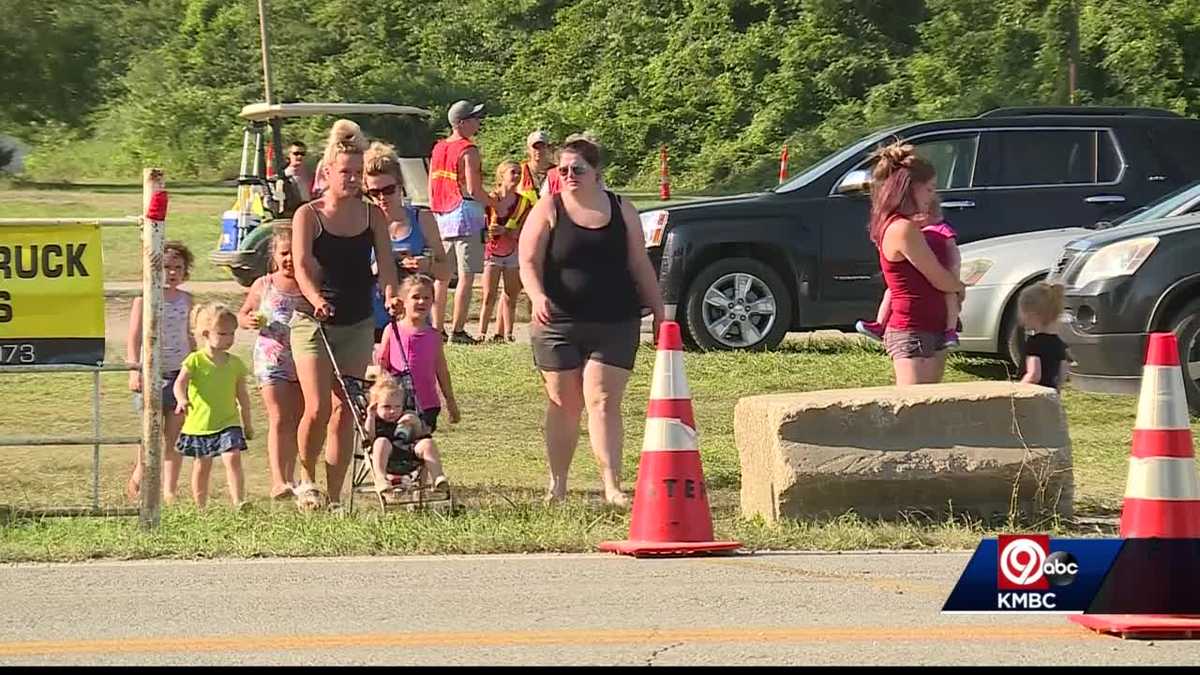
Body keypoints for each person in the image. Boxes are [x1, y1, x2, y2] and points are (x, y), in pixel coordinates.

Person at [519, 136, 665, 506]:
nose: (568, 175)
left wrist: (660, 309)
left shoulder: (622, 209)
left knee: (601, 400)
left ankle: (613, 487)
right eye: (562, 170)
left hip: (615, 320)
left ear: (597, 173)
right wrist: (537, 296)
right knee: (564, 403)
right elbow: (528, 262)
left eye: (577, 170)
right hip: (558, 321)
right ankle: (558, 485)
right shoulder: (549, 208)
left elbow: (638, 264)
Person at [291, 119, 402, 511]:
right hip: (313, 322)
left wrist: (391, 295)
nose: (353, 180)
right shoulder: (309, 215)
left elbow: (386, 265)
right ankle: (305, 480)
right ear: (326, 173)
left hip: (356, 322)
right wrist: (315, 297)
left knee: (347, 409)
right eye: (346, 173)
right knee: (318, 407)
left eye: (358, 173)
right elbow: (302, 267)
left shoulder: (373, 216)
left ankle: (335, 497)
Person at [867, 142, 966, 386]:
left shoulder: (904, 225)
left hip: (930, 327)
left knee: (928, 414)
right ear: (910, 188)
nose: (932, 196)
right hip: (912, 331)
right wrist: (959, 287)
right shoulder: (903, 228)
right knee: (914, 414)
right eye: (929, 189)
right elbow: (938, 277)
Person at [237, 223, 304, 501]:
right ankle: (278, 481)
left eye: (295, 252)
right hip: (271, 357)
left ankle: (295, 477)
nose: (289, 259)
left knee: (299, 420)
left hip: (303, 359)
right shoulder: (263, 284)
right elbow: (242, 314)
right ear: (274, 255)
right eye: (284, 253)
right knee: (279, 418)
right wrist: (248, 320)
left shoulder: (310, 282)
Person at [125, 241, 194, 504]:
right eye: (166, 267)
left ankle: (169, 489)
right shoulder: (144, 298)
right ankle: (138, 479)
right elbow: (133, 338)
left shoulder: (187, 300)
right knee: (149, 434)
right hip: (151, 373)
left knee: (175, 436)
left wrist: (195, 370)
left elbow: (191, 335)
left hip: (180, 374)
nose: (172, 273)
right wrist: (134, 371)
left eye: (178, 268)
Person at [363, 141, 450, 340]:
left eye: (388, 190)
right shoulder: (363, 222)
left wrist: (426, 265)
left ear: (400, 186)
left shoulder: (422, 219)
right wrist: (377, 269)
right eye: (374, 193)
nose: (382, 198)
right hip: (372, 321)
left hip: (413, 323)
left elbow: (446, 272)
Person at [172, 303, 254, 509]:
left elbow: (242, 396)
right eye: (223, 333)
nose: (229, 339)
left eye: (232, 334)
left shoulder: (235, 363)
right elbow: (179, 384)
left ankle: (239, 502)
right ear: (206, 333)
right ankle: (201, 506)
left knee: (232, 457)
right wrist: (182, 399)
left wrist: (247, 423)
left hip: (228, 421)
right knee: (202, 465)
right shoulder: (195, 361)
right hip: (200, 423)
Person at [429, 100, 493, 344]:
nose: (478, 122)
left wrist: (435, 211)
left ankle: (437, 328)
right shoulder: (469, 149)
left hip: (442, 214)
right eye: (475, 118)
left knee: (442, 276)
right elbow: (474, 189)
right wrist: (495, 204)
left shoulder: (438, 148)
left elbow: (432, 184)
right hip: (465, 213)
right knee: (466, 276)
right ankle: (457, 330)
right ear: (462, 123)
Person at [856, 212, 962, 348]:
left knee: (950, 294)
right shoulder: (909, 230)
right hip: (915, 276)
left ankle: (950, 330)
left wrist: (955, 276)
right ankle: (879, 324)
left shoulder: (941, 230)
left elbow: (954, 255)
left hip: (940, 273)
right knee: (891, 291)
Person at [375, 274, 460, 440]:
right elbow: (381, 364)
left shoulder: (434, 336)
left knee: (420, 447)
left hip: (427, 404)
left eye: (427, 297)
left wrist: (450, 401)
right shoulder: (392, 330)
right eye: (416, 297)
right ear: (404, 301)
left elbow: (441, 370)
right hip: (397, 404)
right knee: (398, 445)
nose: (422, 302)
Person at [364, 374, 449, 502]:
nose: (393, 411)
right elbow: (368, 438)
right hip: (386, 454)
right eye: (386, 407)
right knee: (381, 442)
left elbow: (421, 434)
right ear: (375, 408)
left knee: (428, 443)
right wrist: (370, 416)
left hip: (409, 451)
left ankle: (437, 476)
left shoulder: (405, 417)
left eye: (397, 407)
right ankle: (381, 478)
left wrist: (415, 423)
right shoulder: (376, 421)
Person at [478, 160, 532, 342]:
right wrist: (489, 231)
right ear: (502, 175)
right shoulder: (490, 200)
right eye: (513, 172)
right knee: (488, 295)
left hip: (513, 252)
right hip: (492, 253)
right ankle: (482, 333)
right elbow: (480, 227)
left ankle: (507, 334)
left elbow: (525, 230)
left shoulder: (523, 203)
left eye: (519, 173)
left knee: (511, 294)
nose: (516, 176)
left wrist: (507, 231)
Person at [1017, 282, 1070, 390]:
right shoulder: (1058, 343)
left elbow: (1034, 375)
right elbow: (1063, 374)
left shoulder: (1034, 344)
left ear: (1031, 315)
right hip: (1050, 396)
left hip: (1033, 397)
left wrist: (1018, 390)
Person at [518, 130, 553, 199]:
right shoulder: (519, 171)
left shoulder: (558, 172)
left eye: (542, 146)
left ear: (549, 148)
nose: (538, 150)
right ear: (528, 150)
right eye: (535, 147)